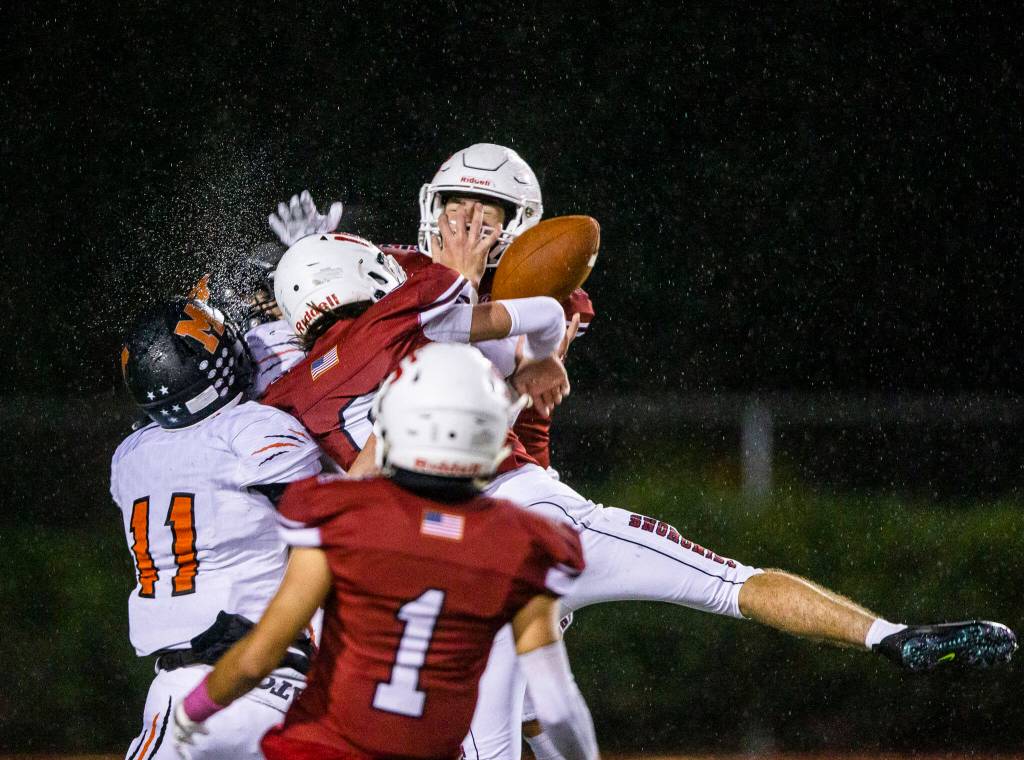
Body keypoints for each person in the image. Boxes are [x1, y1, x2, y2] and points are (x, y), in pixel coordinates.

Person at [264, 151, 1018, 760]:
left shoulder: (347, 345)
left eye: (484, 216)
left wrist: (302, 263)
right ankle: (889, 637)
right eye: (454, 208)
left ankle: (893, 637)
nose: (463, 225)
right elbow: (473, 341)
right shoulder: (407, 286)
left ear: (518, 230)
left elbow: (520, 331)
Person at [171, 344, 600, 760]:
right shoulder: (523, 543)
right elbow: (558, 709)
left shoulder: (340, 515)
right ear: (494, 434)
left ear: (391, 424)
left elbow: (257, 656)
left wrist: (192, 712)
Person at [112, 298, 322, 759]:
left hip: (191, 687)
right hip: (290, 684)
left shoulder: (128, 458)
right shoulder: (253, 429)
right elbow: (330, 526)